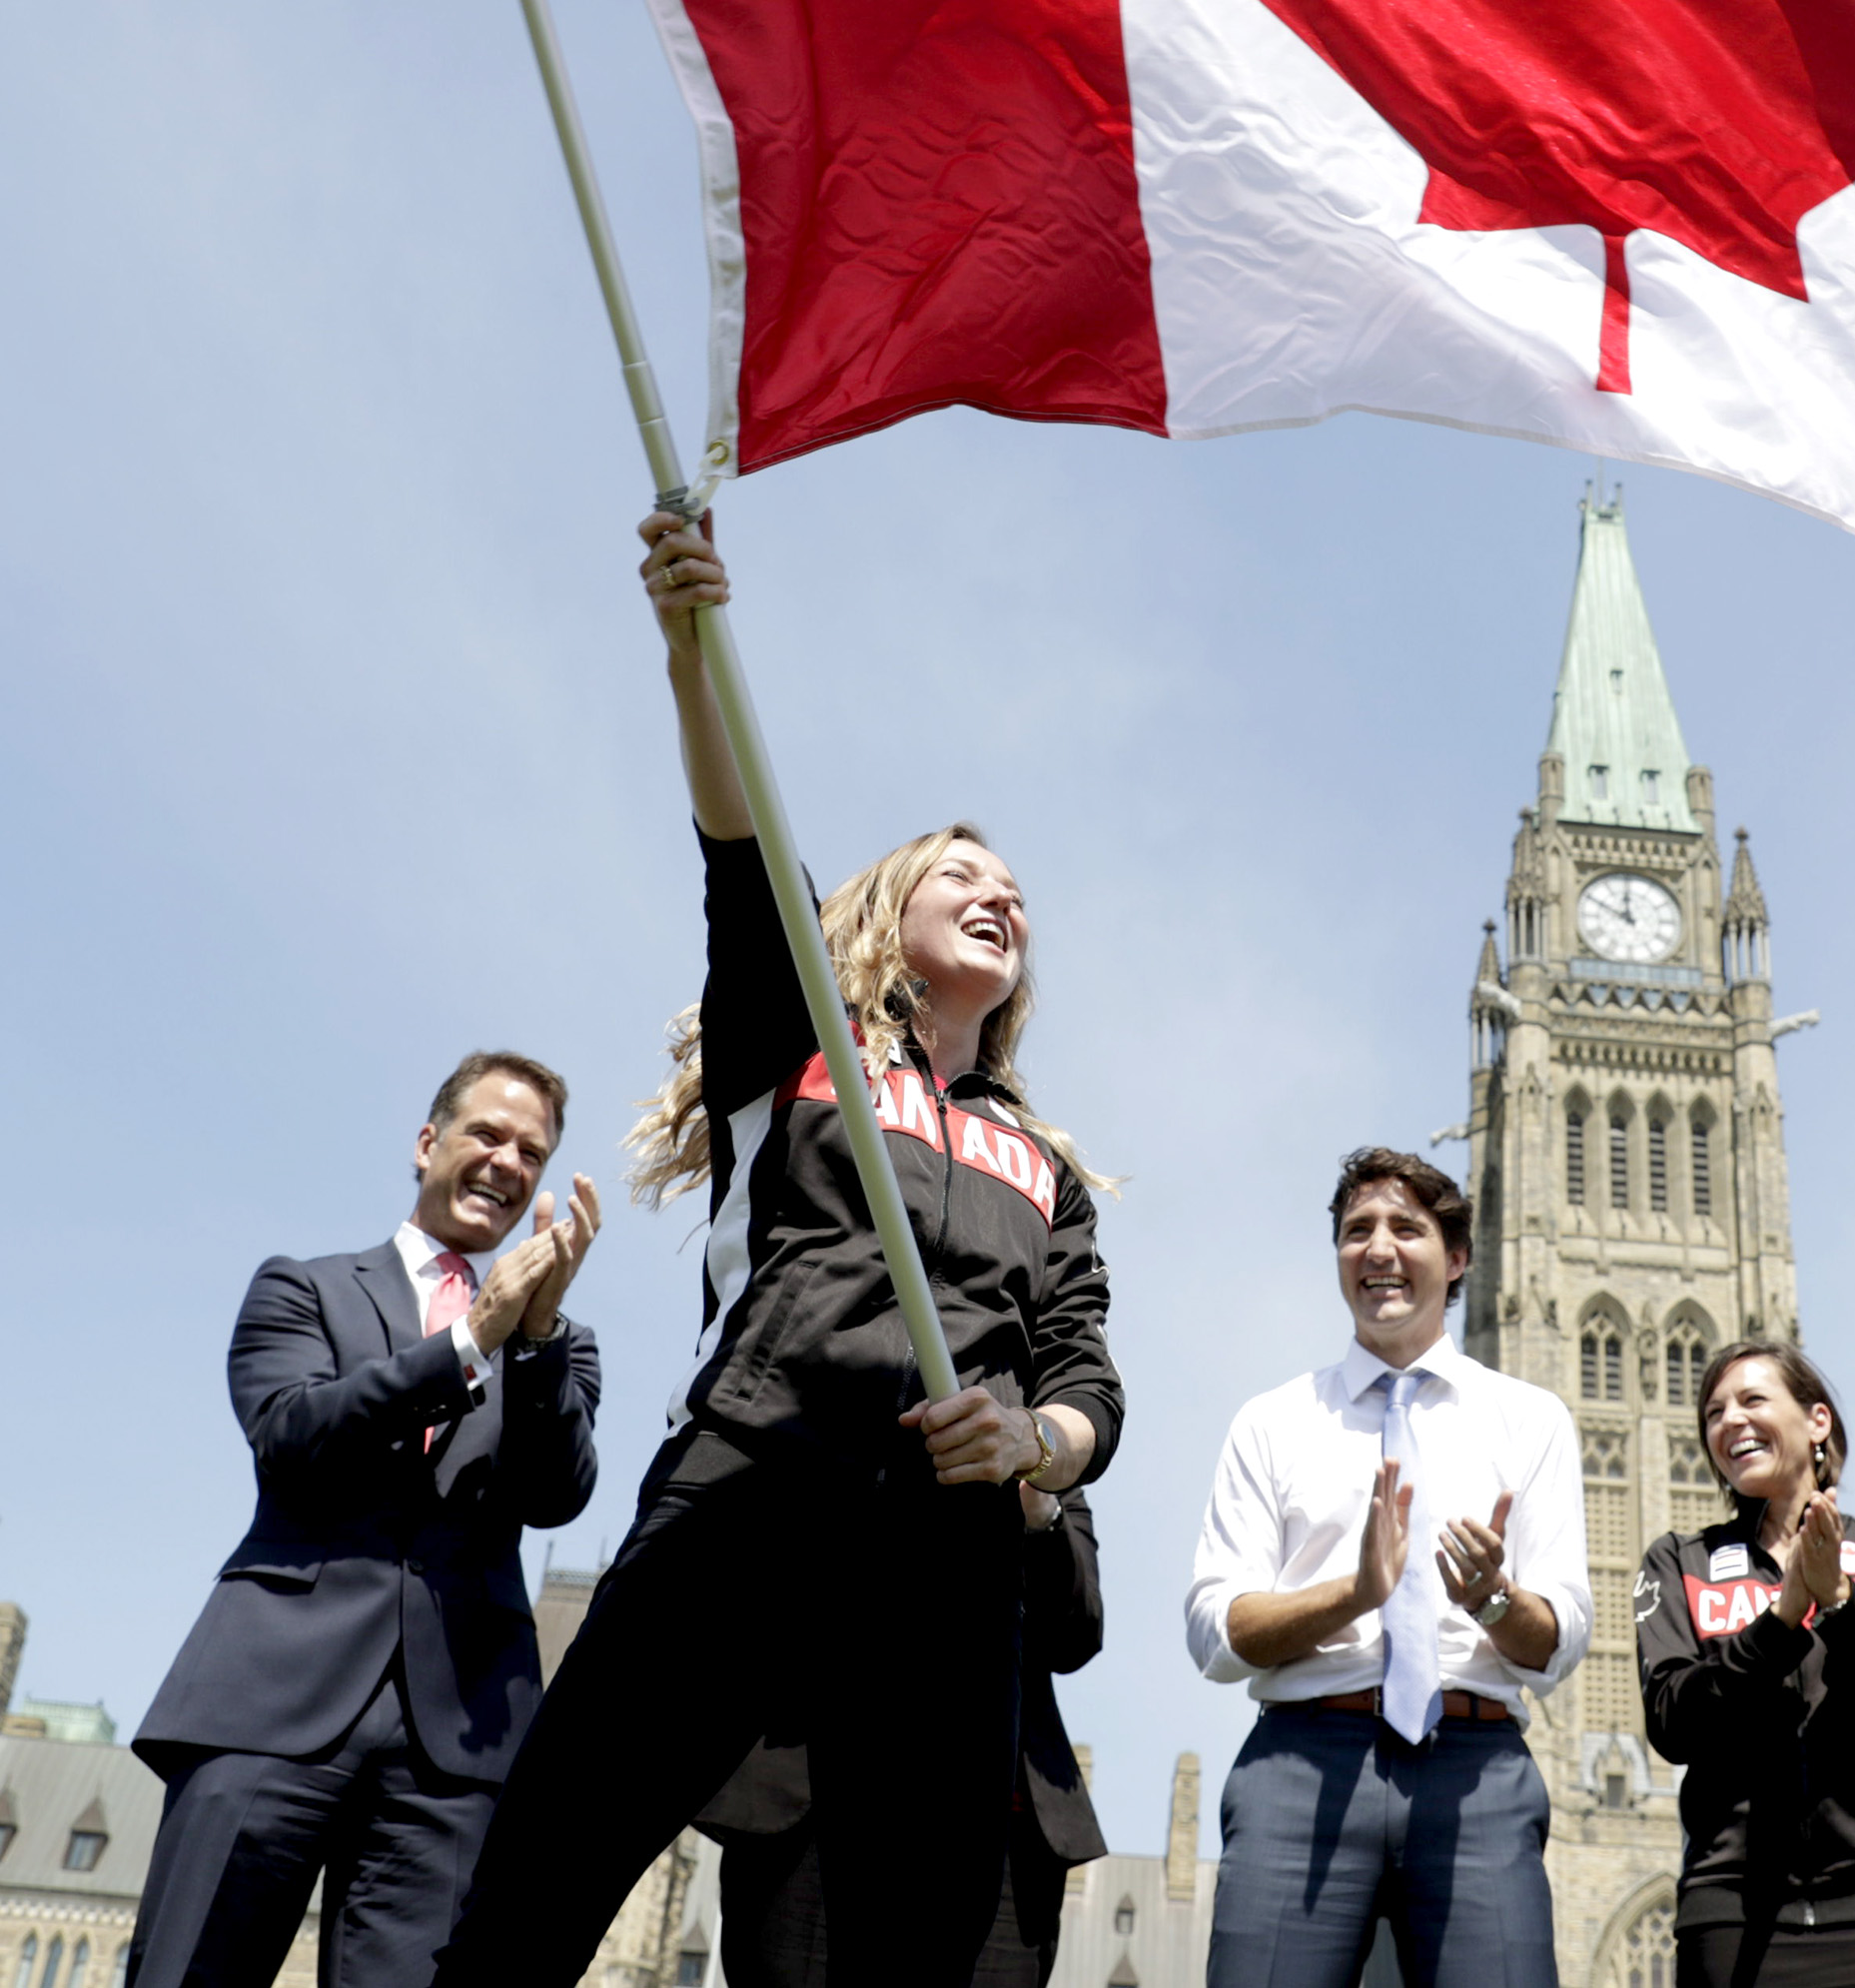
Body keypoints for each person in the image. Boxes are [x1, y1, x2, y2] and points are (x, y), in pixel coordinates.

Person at [431, 510, 1126, 1988]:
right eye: (965, 876)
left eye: (1018, 892)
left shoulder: (1049, 1167)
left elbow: (1087, 1385)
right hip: (748, 1485)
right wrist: (696, 652)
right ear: (884, 911)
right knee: (543, 1880)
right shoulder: (793, 1038)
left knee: (910, 1948)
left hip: (946, 1566)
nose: (1002, 895)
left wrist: (1032, 1442)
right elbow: (743, 847)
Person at [128, 1052, 602, 1988]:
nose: (509, 1163)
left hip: (457, 1743)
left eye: (532, 1155)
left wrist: (533, 1338)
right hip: (268, 1703)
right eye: (488, 1135)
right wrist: (471, 1342)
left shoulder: (556, 1342)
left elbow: (558, 1495)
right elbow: (294, 1435)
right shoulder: (303, 1289)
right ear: (428, 1143)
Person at [1186, 1148, 1589, 1988]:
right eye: (1356, 1230)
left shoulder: (1530, 1420)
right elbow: (1216, 1635)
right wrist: (1354, 1594)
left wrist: (1491, 1599)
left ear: (1458, 1258)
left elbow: (1557, 1642)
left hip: (1475, 1768)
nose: (1378, 1248)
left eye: (1406, 1228)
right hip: (1302, 1762)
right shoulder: (1273, 1421)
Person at [1633, 1340, 1855, 1988]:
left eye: (1752, 1400)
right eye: (1713, 1412)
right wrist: (1779, 1622)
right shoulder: (1679, 1562)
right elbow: (1674, 1722)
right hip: (1734, 1911)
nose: (1729, 1420)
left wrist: (1843, 1608)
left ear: (1818, 1421)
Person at [705, 1478, 1108, 1988]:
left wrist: (1039, 1508)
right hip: (809, 1799)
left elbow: (1078, 1631)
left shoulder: (1038, 1433)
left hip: (997, 1835)